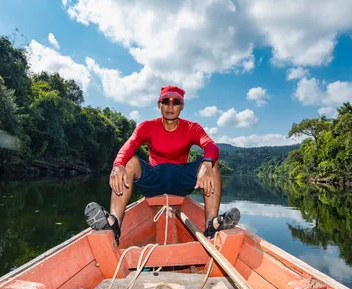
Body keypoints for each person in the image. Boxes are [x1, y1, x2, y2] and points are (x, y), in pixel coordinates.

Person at [84, 85, 240, 245]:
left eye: (176, 102)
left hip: (181, 181)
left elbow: (211, 146)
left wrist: (206, 164)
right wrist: (118, 165)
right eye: (166, 101)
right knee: (128, 162)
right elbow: (128, 146)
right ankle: (114, 223)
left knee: (212, 163)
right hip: (154, 180)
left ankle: (211, 225)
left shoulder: (192, 127)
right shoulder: (147, 126)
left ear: (182, 106)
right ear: (159, 105)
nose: (170, 106)